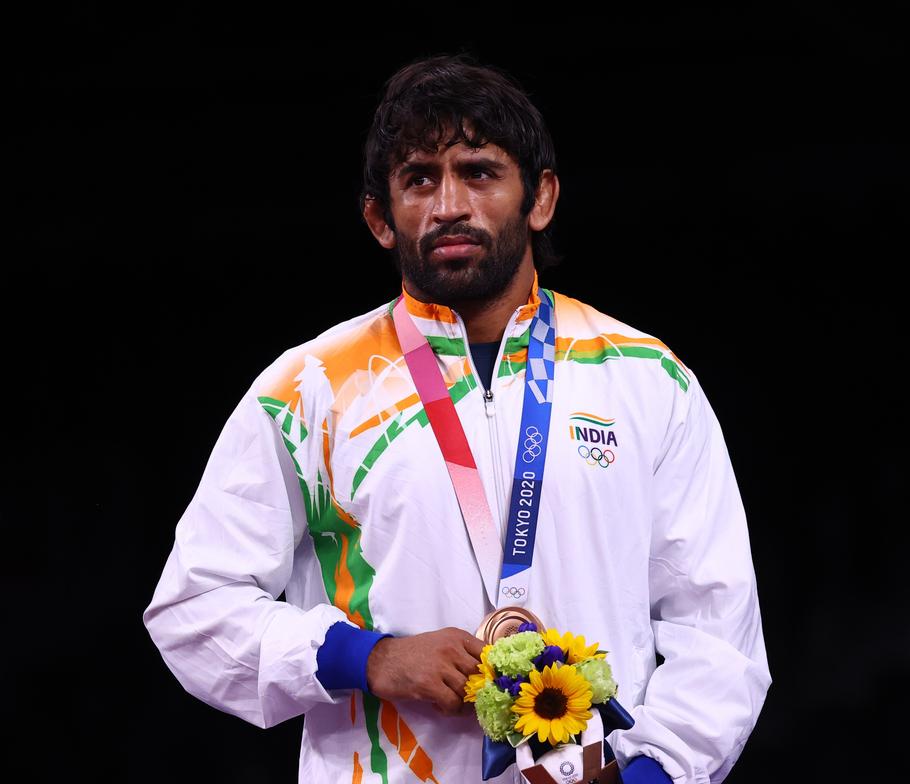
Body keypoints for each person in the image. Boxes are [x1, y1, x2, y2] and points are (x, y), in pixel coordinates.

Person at [143, 52, 771, 784]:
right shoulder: (309, 390)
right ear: (380, 218)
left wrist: (650, 775)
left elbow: (718, 631)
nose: (448, 204)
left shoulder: (646, 380)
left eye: (478, 171)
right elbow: (192, 608)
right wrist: (367, 658)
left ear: (540, 198)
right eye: (418, 179)